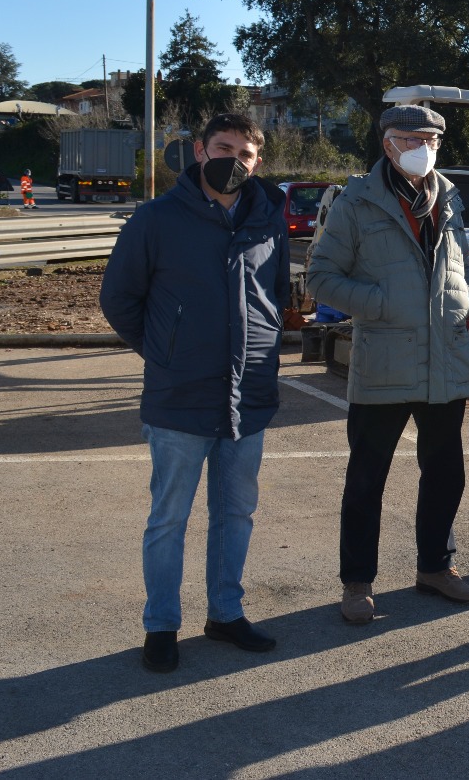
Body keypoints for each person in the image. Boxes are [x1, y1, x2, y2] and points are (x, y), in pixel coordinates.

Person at [99, 112, 289, 674]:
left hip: (248, 396)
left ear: (257, 162)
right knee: (168, 519)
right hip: (179, 396)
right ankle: (161, 625)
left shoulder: (268, 216)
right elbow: (119, 300)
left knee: (235, 514)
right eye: (224, 148)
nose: (235, 160)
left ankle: (225, 614)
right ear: (201, 151)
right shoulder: (156, 219)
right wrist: (165, 351)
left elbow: (274, 294)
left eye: (247, 154)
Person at [307, 104, 469, 625]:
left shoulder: (448, 197)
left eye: (429, 138)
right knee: (366, 480)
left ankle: (435, 567)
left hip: (444, 362)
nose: (421, 147)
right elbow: (321, 276)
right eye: (410, 138)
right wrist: (383, 303)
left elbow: (462, 266)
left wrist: (466, 298)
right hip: (383, 364)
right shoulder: (356, 201)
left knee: (446, 474)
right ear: (387, 144)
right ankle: (357, 583)